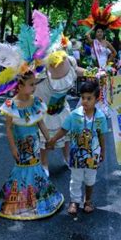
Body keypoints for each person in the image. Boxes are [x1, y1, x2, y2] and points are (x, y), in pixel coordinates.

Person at [0, 71, 64, 220]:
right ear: (20, 85)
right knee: (22, 170)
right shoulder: (11, 105)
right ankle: (22, 202)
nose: (34, 87)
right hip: (21, 146)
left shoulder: (36, 102)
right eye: (31, 84)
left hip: (35, 144)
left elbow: (41, 122)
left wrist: (49, 140)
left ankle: (38, 200)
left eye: (35, 84)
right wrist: (13, 148)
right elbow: (9, 128)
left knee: (35, 169)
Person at [48, 81, 109, 215]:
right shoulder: (74, 115)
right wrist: (52, 140)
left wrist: (103, 152)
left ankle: (88, 200)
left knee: (90, 179)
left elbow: (101, 136)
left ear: (97, 99)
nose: (85, 101)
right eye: (83, 98)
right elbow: (64, 130)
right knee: (75, 178)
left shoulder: (100, 117)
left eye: (89, 98)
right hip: (76, 155)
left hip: (93, 155)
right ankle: (74, 201)